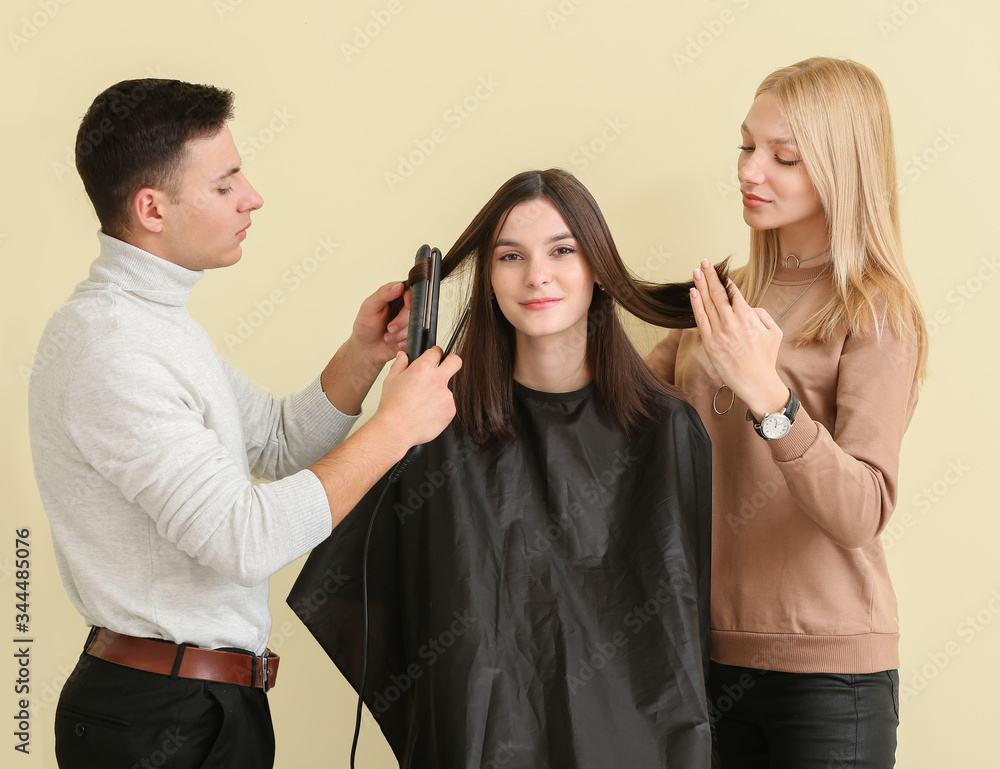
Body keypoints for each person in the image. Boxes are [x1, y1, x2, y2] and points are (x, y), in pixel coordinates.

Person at [27, 78, 461, 769]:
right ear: (152, 208)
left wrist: (362, 357)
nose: (252, 196)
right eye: (225, 183)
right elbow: (242, 537)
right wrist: (395, 428)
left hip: (202, 706)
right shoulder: (111, 349)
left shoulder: (157, 326)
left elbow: (277, 441)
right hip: (155, 716)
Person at [289, 168, 717, 768]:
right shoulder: (436, 423)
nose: (537, 276)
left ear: (598, 268)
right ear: (488, 279)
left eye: (562, 251)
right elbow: (359, 588)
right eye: (511, 256)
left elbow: (686, 628)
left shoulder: (667, 429)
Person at [648, 57, 927, 768]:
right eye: (746, 146)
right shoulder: (720, 298)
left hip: (831, 681)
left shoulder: (874, 309)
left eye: (785, 157)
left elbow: (862, 507)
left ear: (840, 168)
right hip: (708, 659)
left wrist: (770, 396)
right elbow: (625, 419)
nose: (751, 171)